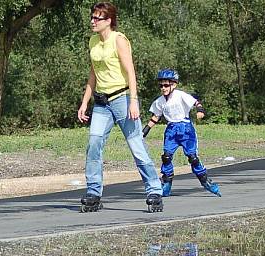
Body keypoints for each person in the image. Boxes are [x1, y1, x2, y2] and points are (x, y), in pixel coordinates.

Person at [77, 2, 163, 213]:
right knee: (94, 144)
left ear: (109, 21)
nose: (93, 21)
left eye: (97, 18)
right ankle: (93, 193)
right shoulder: (93, 42)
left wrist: (133, 101)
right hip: (101, 103)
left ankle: (154, 191)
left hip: (122, 99)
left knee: (136, 146)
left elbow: (131, 72)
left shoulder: (119, 40)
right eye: (92, 17)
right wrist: (84, 102)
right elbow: (93, 74)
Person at [141, 69, 221, 197]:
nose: (163, 88)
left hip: (185, 129)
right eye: (161, 85)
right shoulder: (160, 101)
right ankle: (166, 184)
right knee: (166, 157)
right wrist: (144, 132)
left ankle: (206, 182)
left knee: (192, 157)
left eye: (166, 85)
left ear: (174, 84)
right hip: (171, 130)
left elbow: (196, 102)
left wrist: (200, 110)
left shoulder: (180, 95)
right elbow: (155, 117)